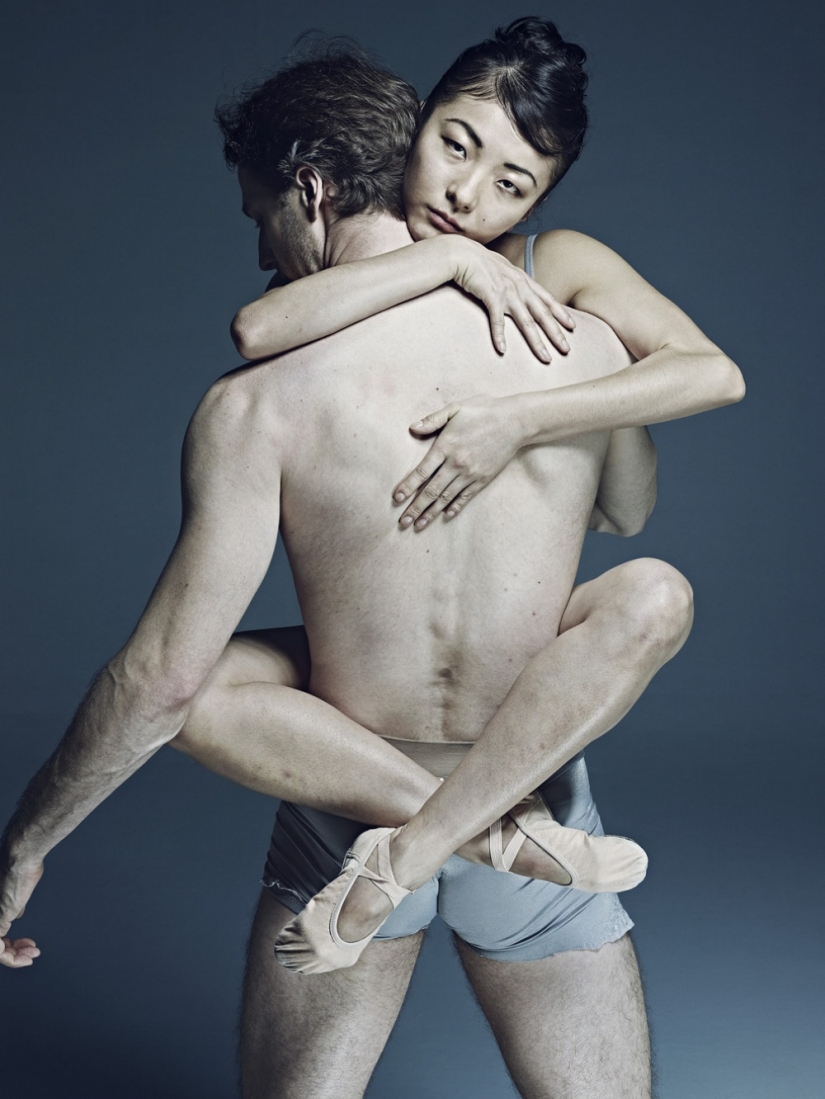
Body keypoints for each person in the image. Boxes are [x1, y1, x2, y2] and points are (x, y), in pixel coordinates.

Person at [0, 31, 742, 1099]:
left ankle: (448, 838)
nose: (263, 247)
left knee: (200, 684)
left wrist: (24, 842)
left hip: (348, 800)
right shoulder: (579, 338)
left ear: (307, 193)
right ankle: (497, 834)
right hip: (528, 771)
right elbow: (630, 507)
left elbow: (160, 680)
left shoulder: (257, 404)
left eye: (260, 216)